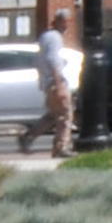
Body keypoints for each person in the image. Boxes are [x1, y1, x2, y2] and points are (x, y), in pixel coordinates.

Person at [34, 12, 76, 145]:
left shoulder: (46, 36)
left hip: (48, 82)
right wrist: (59, 84)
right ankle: (61, 147)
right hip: (56, 81)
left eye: (69, 21)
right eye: (64, 21)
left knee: (54, 115)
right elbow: (52, 60)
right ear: (57, 21)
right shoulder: (55, 38)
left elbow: (43, 60)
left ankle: (29, 136)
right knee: (66, 115)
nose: (67, 25)